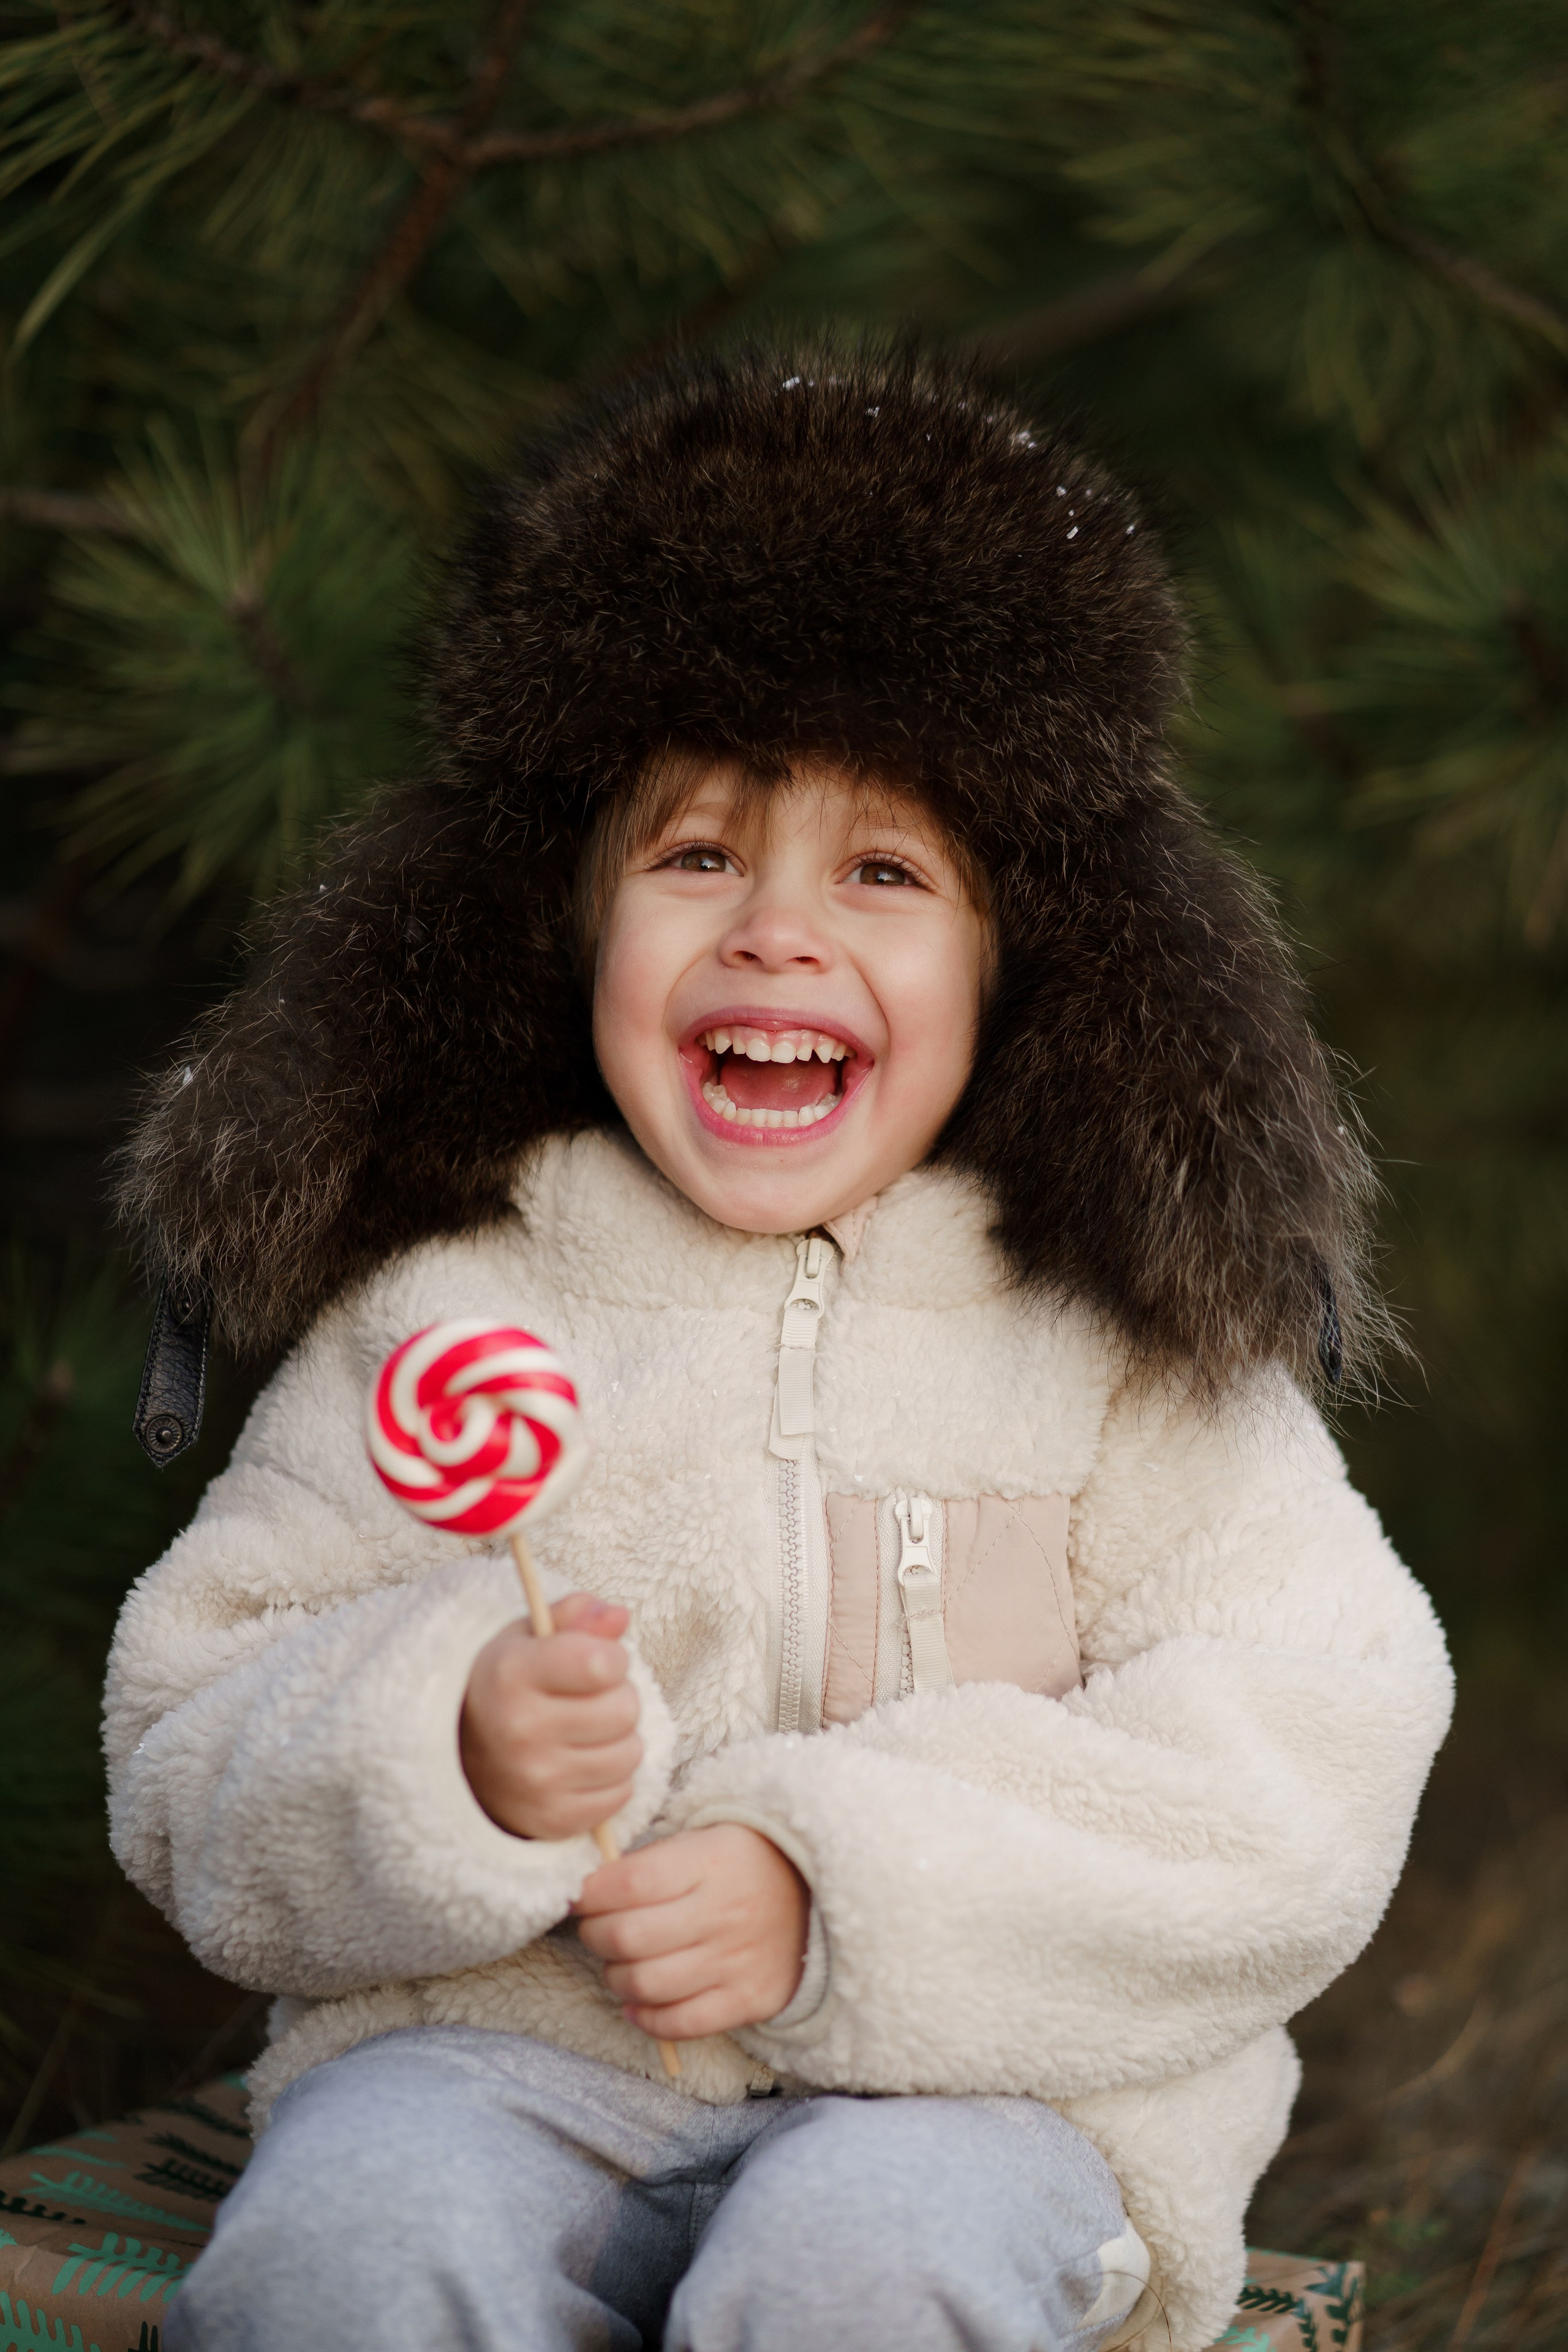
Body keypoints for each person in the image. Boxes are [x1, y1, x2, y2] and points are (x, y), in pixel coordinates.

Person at [107, 347, 1453, 2352]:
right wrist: (442, 1747)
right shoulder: (457, 1308)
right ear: (572, 934)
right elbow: (187, 1739)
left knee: (851, 2280)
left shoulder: (1112, 1340)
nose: (776, 934)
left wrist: (842, 1889)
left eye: (885, 873)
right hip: (492, 2067)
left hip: (989, 2106)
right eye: (697, 856)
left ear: (1029, 973)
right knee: (344, 2250)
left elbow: (1309, 1749)